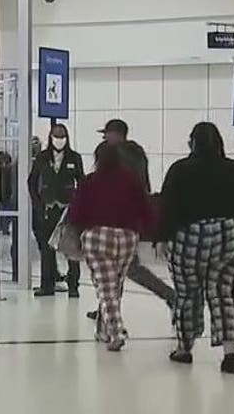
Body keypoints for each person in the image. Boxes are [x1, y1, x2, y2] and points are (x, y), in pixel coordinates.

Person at [158, 122, 234, 373]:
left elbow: (167, 205)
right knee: (223, 293)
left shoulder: (180, 170)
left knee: (187, 294)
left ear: (192, 143)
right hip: (228, 235)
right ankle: (229, 352)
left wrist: (163, 236)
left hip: (189, 237)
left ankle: (184, 347)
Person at [86, 119, 175, 322]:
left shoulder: (116, 156)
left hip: (116, 219)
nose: (104, 138)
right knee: (116, 268)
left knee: (127, 268)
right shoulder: (137, 154)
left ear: (117, 134)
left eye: (107, 133)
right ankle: (105, 310)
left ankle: (170, 296)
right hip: (132, 219)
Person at [69, 142, 155, 351]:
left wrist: (80, 232)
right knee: (114, 285)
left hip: (97, 237)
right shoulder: (131, 182)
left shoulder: (90, 182)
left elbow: (76, 213)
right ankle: (102, 329)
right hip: (127, 237)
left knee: (105, 288)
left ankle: (116, 333)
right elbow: (146, 210)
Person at [28, 123, 84, 297]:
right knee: (47, 249)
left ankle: (73, 286)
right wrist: (37, 203)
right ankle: (47, 285)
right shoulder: (42, 158)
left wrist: (78, 203)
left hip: (67, 210)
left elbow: (81, 182)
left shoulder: (74, 158)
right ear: (50, 138)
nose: (59, 140)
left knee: (72, 249)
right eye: (56, 136)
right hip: (47, 209)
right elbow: (31, 181)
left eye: (62, 136)